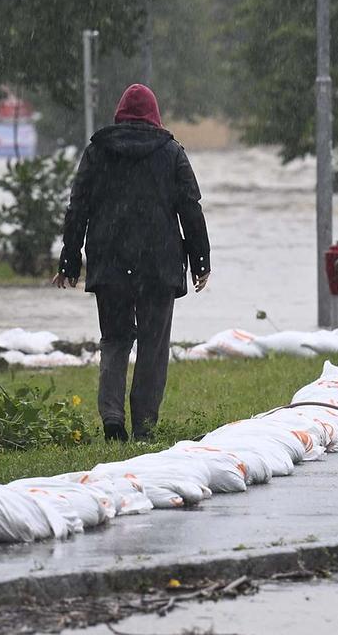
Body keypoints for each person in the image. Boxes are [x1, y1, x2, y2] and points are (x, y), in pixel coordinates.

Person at [54, 83, 211, 443]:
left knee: (115, 339)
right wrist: (200, 260)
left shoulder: (98, 152)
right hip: (159, 264)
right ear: (155, 116)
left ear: (119, 114)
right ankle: (144, 426)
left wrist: (69, 261)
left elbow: (77, 206)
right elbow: (191, 208)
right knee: (154, 347)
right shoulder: (171, 153)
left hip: (110, 263)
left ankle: (112, 416)